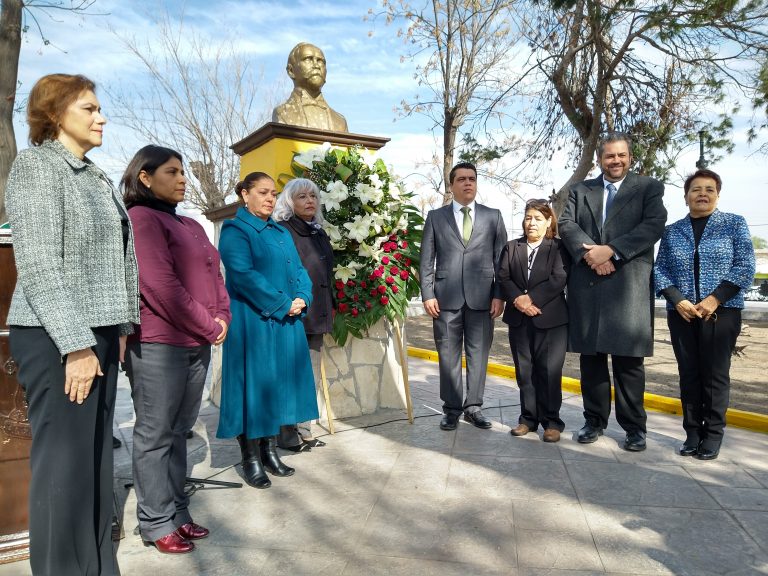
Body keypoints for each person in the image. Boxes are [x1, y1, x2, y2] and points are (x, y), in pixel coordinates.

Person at [5, 73, 139, 575]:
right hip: (56, 336)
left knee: (94, 464)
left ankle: (99, 567)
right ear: (55, 114)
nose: (101, 117)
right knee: (63, 468)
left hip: (98, 334)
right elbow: (38, 264)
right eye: (89, 108)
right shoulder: (38, 167)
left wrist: (121, 327)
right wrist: (77, 346)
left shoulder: (94, 175)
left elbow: (118, 259)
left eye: (99, 108)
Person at [120, 145, 231, 553]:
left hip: (196, 342)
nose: (183, 178)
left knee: (181, 431)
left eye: (183, 170)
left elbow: (215, 278)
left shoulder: (192, 226)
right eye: (172, 171)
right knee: (155, 434)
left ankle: (178, 513)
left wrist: (222, 318)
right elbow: (158, 286)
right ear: (145, 177)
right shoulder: (141, 219)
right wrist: (208, 324)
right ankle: (155, 521)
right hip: (158, 343)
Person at [559, 132, 667, 452]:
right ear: (600, 159)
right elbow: (566, 225)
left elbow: (653, 226)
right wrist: (591, 255)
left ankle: (634, 428)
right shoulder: (581, 190)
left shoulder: (648, 188)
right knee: (591, 361)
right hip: (588, 285)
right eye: (609, 156)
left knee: (628, 364)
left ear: (629, 157)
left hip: (628, 286)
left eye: (621, 155)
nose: (615, 161)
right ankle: (594, 421)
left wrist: (612, 251)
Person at [216, 172, 319, 488]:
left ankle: (270, 450)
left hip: (285, 321)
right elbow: (243, 275)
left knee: (278, 387)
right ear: (245, 195)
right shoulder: (236, 229)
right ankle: (250, 458)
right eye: (263, 192)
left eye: (273, 193)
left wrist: (303, 296)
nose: (270, 198)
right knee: (253, 389)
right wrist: (283, 303)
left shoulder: (280, 231)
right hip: (254, 322)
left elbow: (299, 270)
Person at [654, 169, 755, 460]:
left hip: (721, 313)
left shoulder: (734, 224)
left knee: (715, 375)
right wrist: (677, 299)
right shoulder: (673, 231)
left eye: (709, 189)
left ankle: (712, 436)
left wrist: (715, 298)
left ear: (718, 195)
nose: (702, 194)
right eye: (696, 189)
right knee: (689, 374)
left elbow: (745, 266)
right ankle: (692, 434)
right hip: (682, 313)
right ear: (686, 197)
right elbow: (659, 269)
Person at [419, 162, 507, 431]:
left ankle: (474, 407)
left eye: (472, 179)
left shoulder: (493, 216)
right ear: (451, 185)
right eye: (462, 179)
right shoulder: (436, 217)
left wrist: (499, 295)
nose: (468, 183)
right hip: (445, 300)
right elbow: (426, 260)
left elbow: (501, 260)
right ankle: (452, 409)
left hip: (483, 299)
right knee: (448, 355)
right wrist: (427, 294)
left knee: (479, 355)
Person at [498, 199, 569, 442]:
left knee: (549, 371)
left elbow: (559, 278)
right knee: (525, 371)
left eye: (538, 218)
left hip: (551, 320)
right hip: (519, 319)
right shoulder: (512, 247)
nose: (532, 223)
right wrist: (519, 299)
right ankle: (528, 419)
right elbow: (503, 276)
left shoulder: (558, 248)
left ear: (549, 221)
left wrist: (531, 300)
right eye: (529, 218)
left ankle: (552, 421)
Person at [273, 178, 334, 452]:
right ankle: (286, 433)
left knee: (310, 375)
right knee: (290, 374)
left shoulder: (318, 232)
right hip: (293, 314)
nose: (309, 201)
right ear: (289, 202)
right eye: (302, 197)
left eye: (313, 196)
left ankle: (305, 428)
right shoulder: (283, 231)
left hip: (317, 313)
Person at [272, 42, 348, 132]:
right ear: (291, 71)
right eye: (308, 59)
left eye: (320, 61)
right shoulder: (282, 113)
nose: (316, 65)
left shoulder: (340, 121)